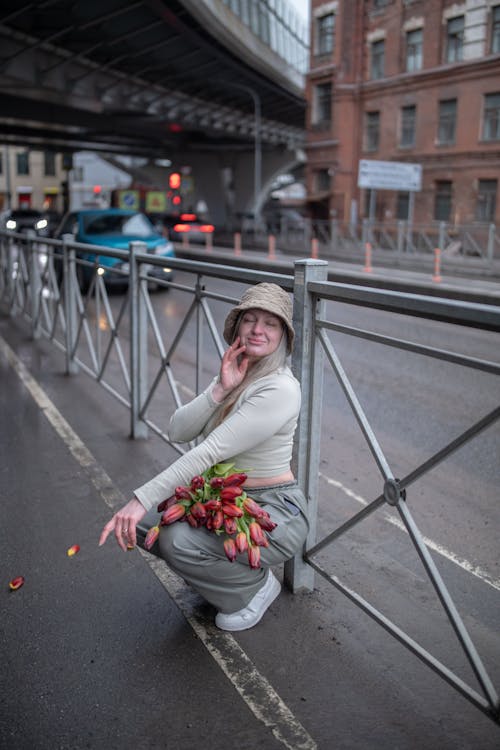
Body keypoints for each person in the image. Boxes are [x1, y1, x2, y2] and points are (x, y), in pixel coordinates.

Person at [99, 282, 309, 631]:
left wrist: (139, 498)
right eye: (250, 320)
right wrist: (220, 389)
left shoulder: (280, 389)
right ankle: (223, 575)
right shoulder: (242, 372)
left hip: (272, 514)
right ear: (238, 327)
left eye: (270, 324)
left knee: (174, 539)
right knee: (146, 525)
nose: (258, 330)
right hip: (224, 499)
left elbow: (209, 451)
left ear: (283, 336)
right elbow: (178, 430)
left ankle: (253, 588)